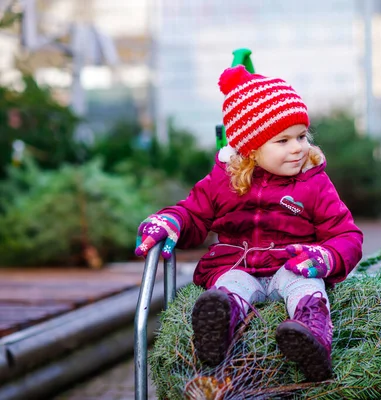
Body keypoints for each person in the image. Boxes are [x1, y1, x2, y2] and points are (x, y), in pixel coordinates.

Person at [135, 65, 363, 382]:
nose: (298, 147)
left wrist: (327, 257)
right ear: (251, 149)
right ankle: (217, 331)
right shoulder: (223, 180)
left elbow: (345, 234)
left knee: (305, 286)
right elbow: (195, 213)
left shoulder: (313, 182)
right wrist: (173, 220)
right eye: (283, 141)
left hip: (291, 264)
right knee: (230, 288)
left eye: (301, 136)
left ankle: (311, 337)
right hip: (238, 265)